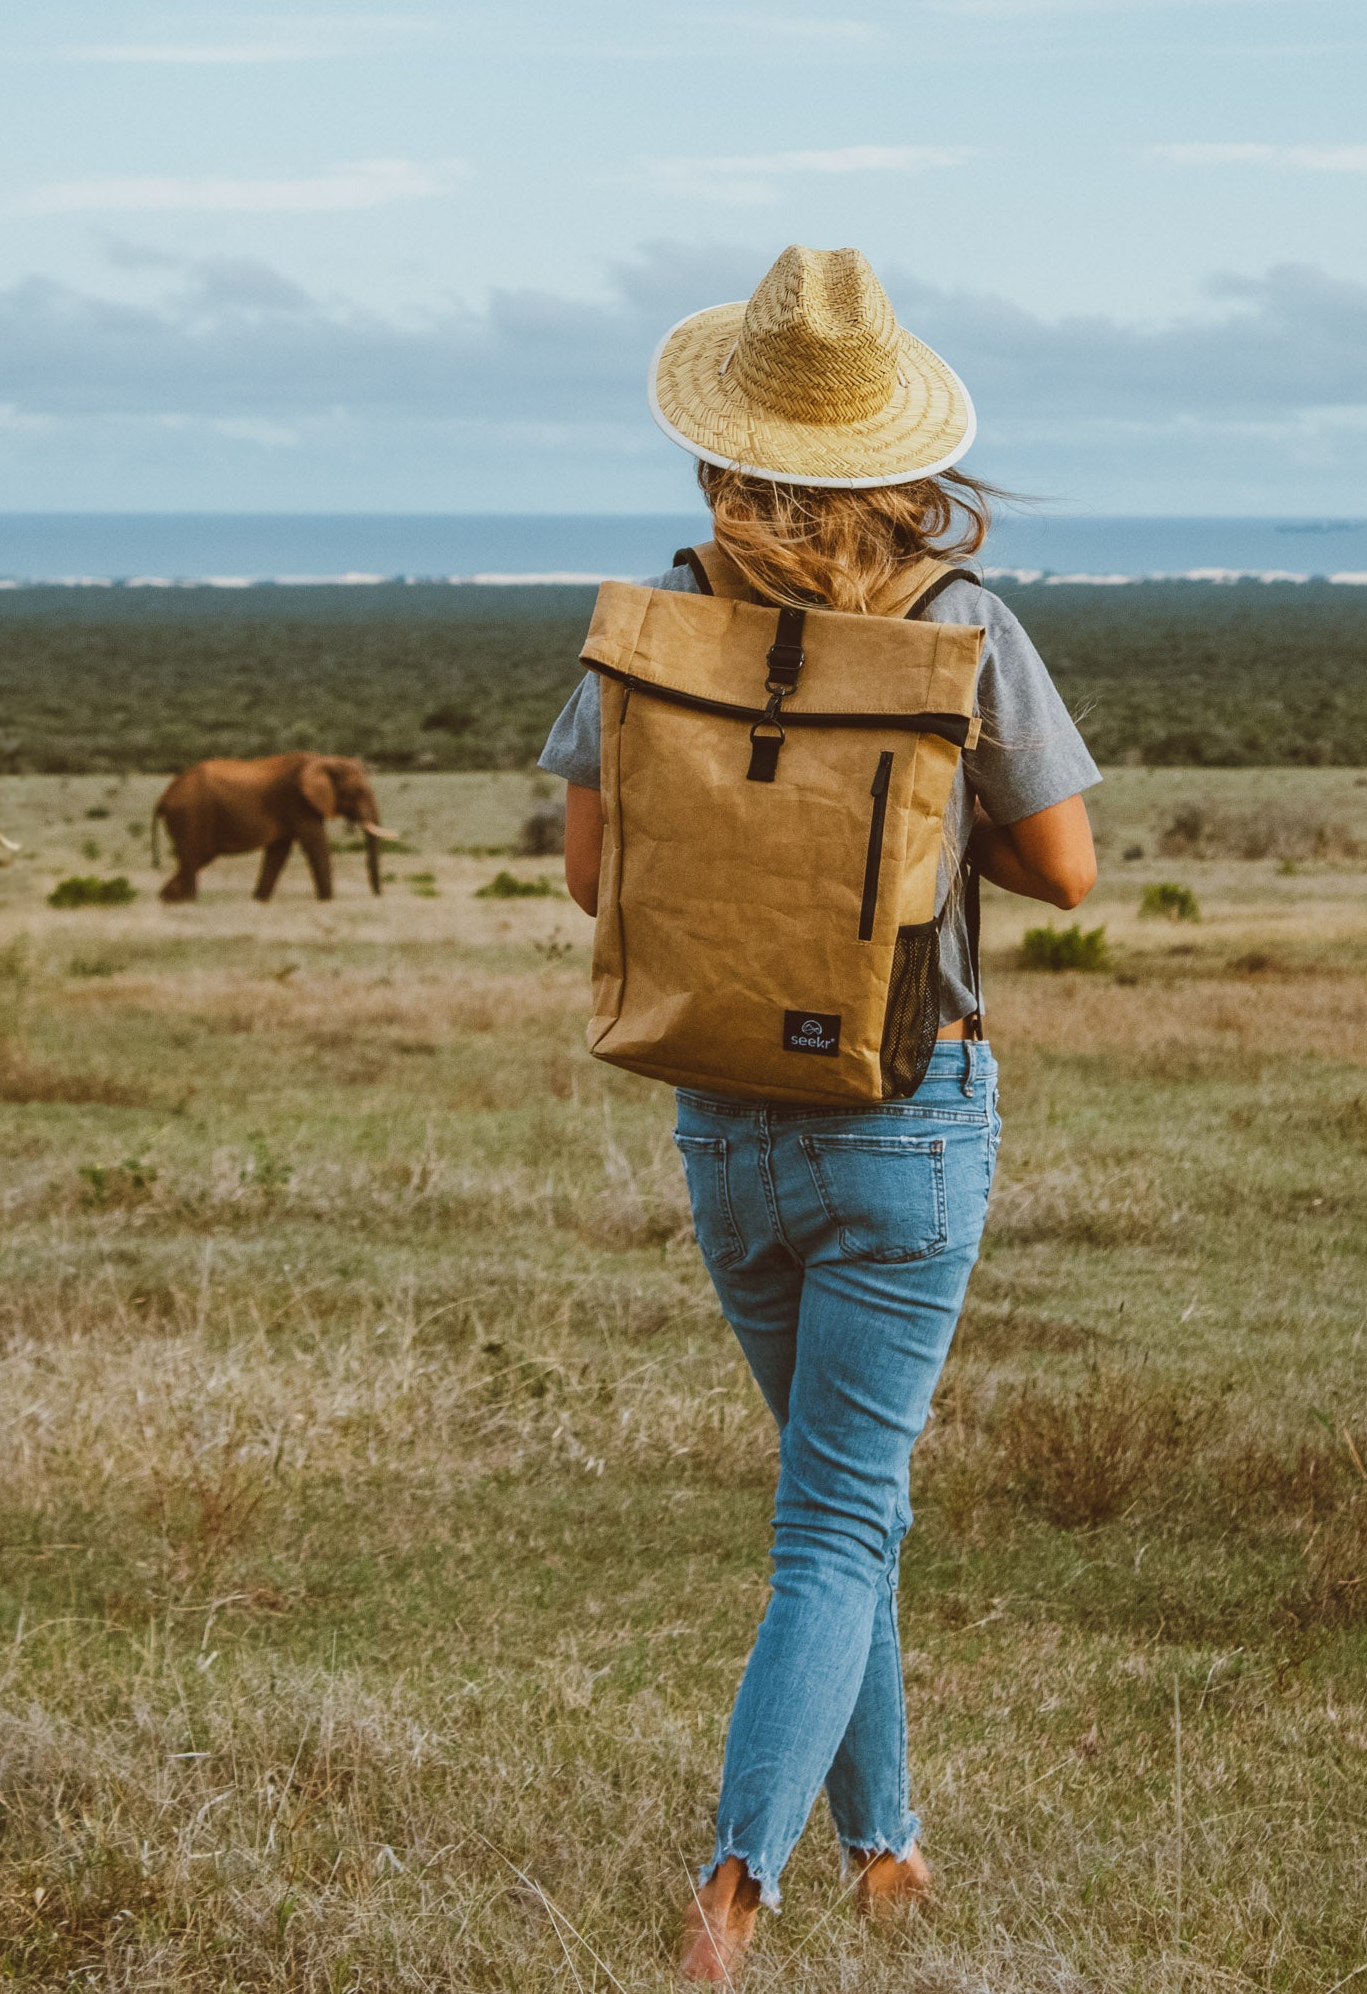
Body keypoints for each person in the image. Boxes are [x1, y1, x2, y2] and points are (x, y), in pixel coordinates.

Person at [538, 245, 1099, 1981]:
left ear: (726, 443)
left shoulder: (664, 617)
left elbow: (585, 872)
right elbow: (1069, 870)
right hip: (908, 1109)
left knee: (841, 1501)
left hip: (722, 1113)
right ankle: (732, 1891)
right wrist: (932, 826)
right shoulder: (956, 624)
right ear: (898, 448)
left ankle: (890, 1851)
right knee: (841, 1516)